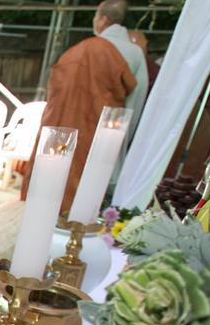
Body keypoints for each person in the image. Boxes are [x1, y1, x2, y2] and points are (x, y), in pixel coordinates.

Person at [21, 20, 136, 211]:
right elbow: (132, 106)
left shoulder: (74, 52)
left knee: (49, 186)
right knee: (77, 187)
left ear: (101, 20)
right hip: (96, 132)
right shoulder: (131, 53)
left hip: (63, 129)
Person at [92, 0, 148, 140]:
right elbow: (137, 97)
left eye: (95, 16)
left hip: (77, 129)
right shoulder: (135, 53)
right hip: (114, 132)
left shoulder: (87, 48)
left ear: (103, 20)